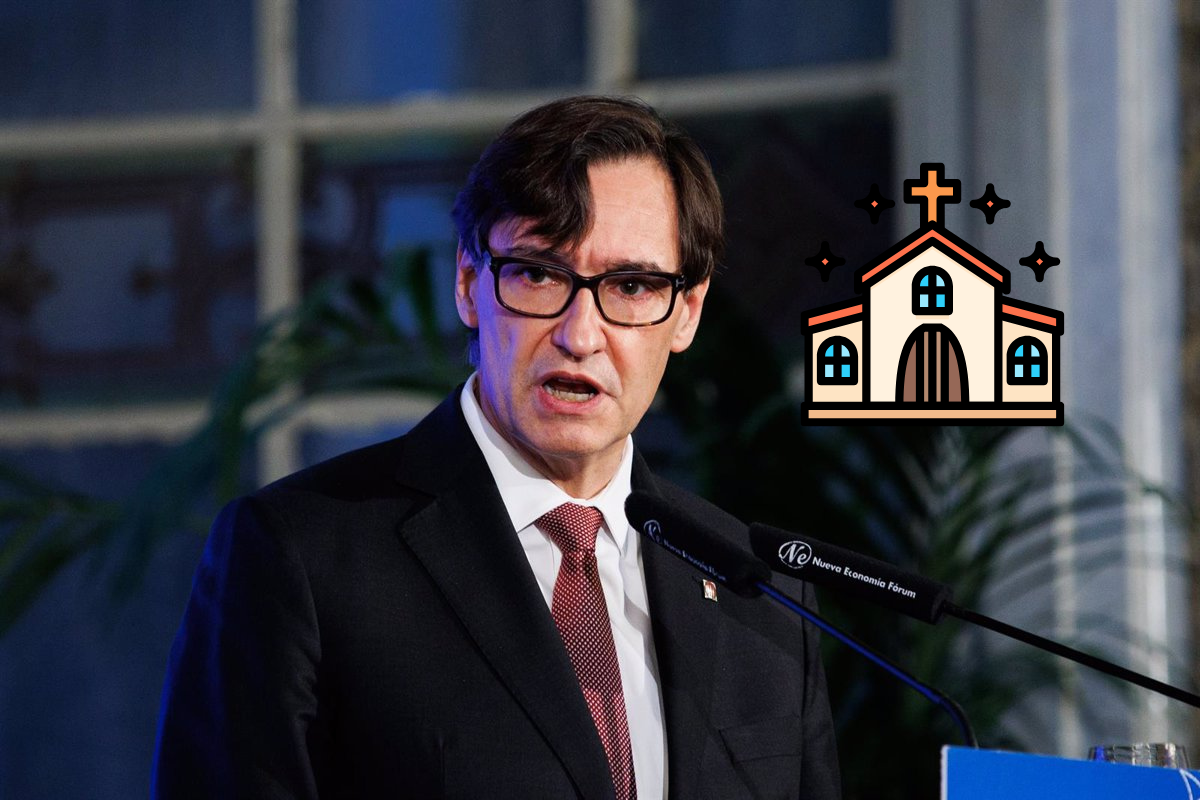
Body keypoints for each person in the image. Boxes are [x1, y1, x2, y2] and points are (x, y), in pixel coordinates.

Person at [153, 95, 840, 799]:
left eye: (632, 286)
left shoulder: (761, 594)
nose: (580, 334)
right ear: (467, 284)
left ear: (686, 312)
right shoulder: (302, 556)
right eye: (538, 274)